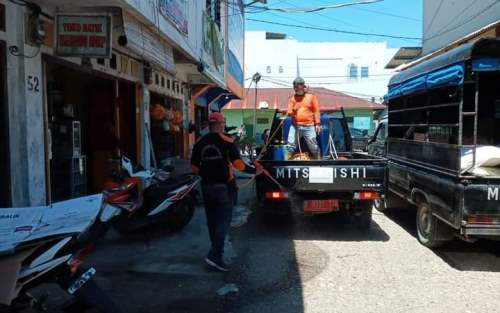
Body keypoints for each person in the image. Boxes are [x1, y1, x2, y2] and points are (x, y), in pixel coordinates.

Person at [191, 112, 263, 272]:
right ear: (222, 124)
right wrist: (254, 171)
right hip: (225, 187)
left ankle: (214, 252)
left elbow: (194, 167)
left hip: (207, 187)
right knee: (223, 222)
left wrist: (207, 170)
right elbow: (238, 165)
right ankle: (215, 256)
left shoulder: (199, 142)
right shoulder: (228, 141)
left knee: (212, 221)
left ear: (209, 125)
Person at [287, 77, 321, 159]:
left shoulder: (312, 97)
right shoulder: (292, 99)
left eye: (297, 86)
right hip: (295, 126)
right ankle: (287, 162)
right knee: (290, 145)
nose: (296, 88)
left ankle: (318, 161)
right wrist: (294, 110)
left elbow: (316, 110)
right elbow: (289, 113)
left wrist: (317, 124)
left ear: (303, 86)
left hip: (309, 126)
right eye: (294, 87)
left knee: (314, 146)